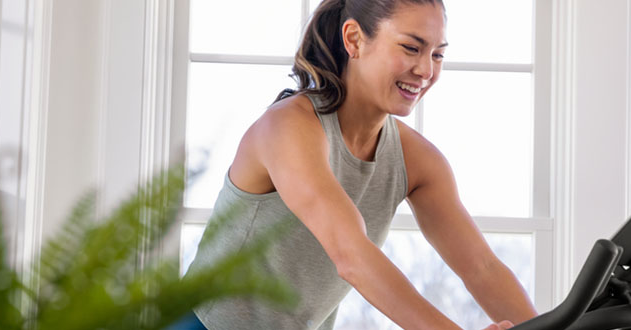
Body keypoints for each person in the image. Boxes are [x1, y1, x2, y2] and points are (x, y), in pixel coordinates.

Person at [183, 0, 538, 329]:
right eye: (411, 48)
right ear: (354, 39)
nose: (426, 69)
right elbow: (351, 254)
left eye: (438, 55)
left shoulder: (419, 162)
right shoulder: (288, 128)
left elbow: (482, 268)